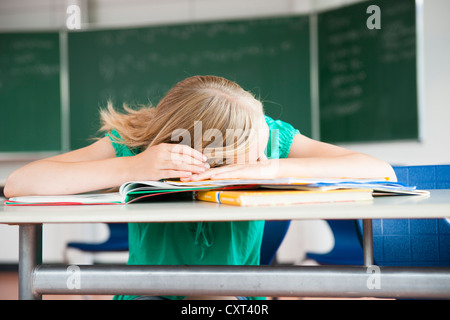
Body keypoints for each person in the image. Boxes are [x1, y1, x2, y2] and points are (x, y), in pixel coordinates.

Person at [4, 75, 396, 300]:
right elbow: (19, 185)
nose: (264, 147)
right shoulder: (141, 140)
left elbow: (379, 170)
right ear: (205, 154)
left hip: (237, 294)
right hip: (148, 294)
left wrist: (277, 167)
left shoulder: (271, 138)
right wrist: (135, 165)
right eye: (252, 148)